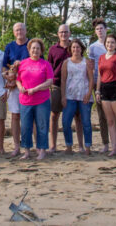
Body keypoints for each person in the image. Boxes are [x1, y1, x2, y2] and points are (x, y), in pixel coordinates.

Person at [15, 37, 55, 160]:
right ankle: (26, 151)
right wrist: (20, 87)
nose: (35, 51)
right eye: (33, 48)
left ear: (41, 51)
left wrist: (36, 89)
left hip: (42, 101)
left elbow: (50, 81)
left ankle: (42, 150)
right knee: (26, 126)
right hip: (25, 101)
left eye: (38, 48)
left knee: (42, 125)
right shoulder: (23, 63)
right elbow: (18, 79)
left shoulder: (45, 64)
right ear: (29, 50)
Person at [60, 38, 94, 155]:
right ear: (70, 49)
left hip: (84, 96)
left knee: (86, 122)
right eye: (73, 47)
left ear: (82, 49)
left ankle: (88, 147)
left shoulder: (87, 62)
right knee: (65, 122)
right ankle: (69, 146)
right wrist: (63, 96)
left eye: (78, 47)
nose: (76, 49)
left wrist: (89, 94)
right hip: (70, 96)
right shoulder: (66, 63)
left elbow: (91, 80)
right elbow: (63, 80)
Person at [2, 22, 30, 156]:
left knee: (29, 117)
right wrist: (9, 78)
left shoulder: (31, 45)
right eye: (17, 30)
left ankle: (29, 146)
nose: (19, 32)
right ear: (14, 32)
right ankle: (16, 146)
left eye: (21, 29)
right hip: (13, 87)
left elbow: (39, 62)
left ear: (25, 31)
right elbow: (4, 67)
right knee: (15, 116)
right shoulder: (10, 47)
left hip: (28, 87)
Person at [47, 24, 72, 152]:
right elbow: (49, 67)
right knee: (54, 115)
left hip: (72, 85)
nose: (64, 34)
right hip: (56, 85)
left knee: (74, 116)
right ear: (58, 34)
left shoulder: (74, 47)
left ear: (70, 33)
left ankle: (73, 145)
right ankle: (53, 145)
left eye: (66, 32)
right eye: (61, 32)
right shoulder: (52, 49)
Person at [88, 18, 110, 153]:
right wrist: (94, 86)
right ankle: (105, 143)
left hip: (112, 82)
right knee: (102, 115)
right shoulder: (93, 47)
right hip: (98, 83)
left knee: (113, 114)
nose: (99, 31)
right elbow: (91, 67)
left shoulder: (112, 43)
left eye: (101, 28)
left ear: (106, 29)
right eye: (97, 29)